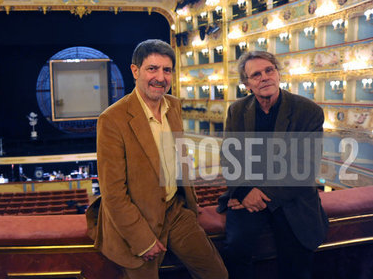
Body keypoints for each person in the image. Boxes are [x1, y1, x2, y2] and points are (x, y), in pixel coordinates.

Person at [86, 39, 227, 279]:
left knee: (217, 275)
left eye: (167, 70)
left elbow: (179, 159)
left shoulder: (173, 106)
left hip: (175, 210)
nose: (160, 77)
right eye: (152, 68)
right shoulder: (112, 119)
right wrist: (142, 240)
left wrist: (190, 207)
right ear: (135, 71)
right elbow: (114, 193)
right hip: (137, 221)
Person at [217, 51, 329, 279]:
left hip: (291, 195)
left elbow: (304, 168)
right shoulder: (237, 110)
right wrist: (245, 190)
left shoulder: (308, 111)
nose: (264, 77)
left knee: (296, 260)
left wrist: (260, 192)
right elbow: (230, 159)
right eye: (256, 74)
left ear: (278, 74)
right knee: (236, 249)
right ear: (247, 84)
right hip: (248, 192)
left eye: (269, 70)